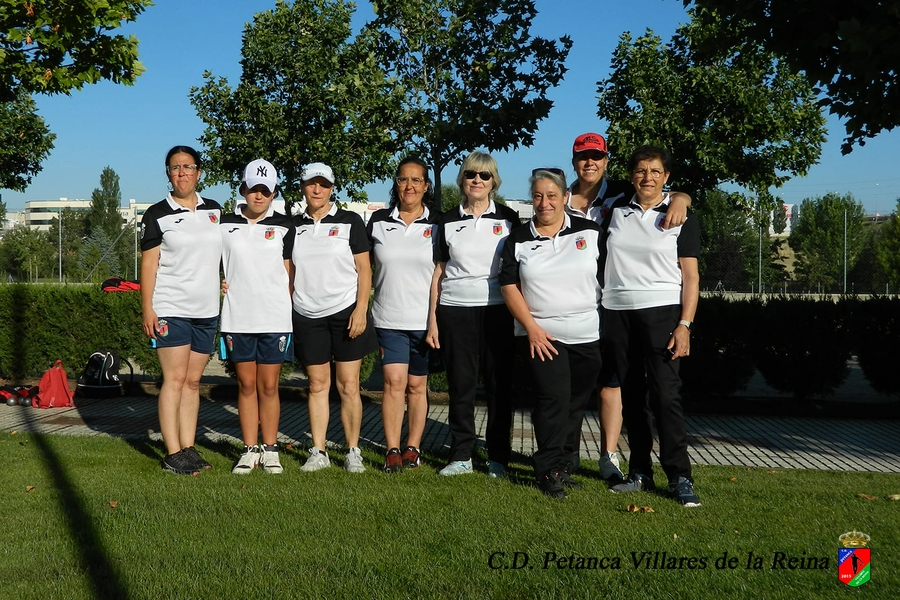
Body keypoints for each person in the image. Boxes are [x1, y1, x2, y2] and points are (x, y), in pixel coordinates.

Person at [566, 132, 691, 482]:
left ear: (606, 161)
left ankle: (666, 473)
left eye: (597, 156)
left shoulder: (622, 194)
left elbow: (661, 191)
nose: (590, 162)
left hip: (643, 309)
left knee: (645, 392)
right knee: (601, 388)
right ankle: (592, 460)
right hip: (593, 306)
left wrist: (682, 196)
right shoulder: (564, 197)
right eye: (583, 156)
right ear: (574, 161)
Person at [601, 146, 701, 507]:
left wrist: (684, 324)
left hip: (661, 314)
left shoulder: (681, 214)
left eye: (655, 171)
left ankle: (680, 477)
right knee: (631, 397)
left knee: (665, 397)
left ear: (667, 177)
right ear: (631, 176)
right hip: (616, 313)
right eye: (641, 171)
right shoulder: (613, 211)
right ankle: (640, 471)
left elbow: (690, 277)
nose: (647, 177)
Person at [500, 169, 603, 499]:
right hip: (543, 336)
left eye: (552, 195)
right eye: (538, 196)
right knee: (552, 402)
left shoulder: (590, 232)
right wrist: (531, 329)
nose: (545, 203)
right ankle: (547, 470)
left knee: (575, 405)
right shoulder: (518, 238)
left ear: (564, 198)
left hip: (588, 335)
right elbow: (508, 286)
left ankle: (563, 465)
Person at [426, 151, 521, 478]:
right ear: (462, 180)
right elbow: (438, 272)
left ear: (494, 181)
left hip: (498, 311)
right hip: (455, 311)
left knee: (499, 387)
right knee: (461, 386)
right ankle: (461, 454)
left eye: (484, 175)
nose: (477, 181)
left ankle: (498, 458)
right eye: (471, 175)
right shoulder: (446, 220)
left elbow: (517, 272)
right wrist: (432, 319)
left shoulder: (509, 218)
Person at [141, 145, 223, 475]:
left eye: (188, 167)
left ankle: (188, 448)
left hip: (206, 309)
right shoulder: (156, 213)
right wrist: (147, 308)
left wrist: (224, 280)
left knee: (192, 382)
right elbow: (149, 264)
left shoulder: (215, 210)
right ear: (168, 175)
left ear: (199, 172)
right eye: (175, 168)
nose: (182, 173)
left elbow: (223, 254)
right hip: (170, 307)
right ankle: (172, 452)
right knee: (174, 380)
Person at [291, 162, 378, 473]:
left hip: (345, 312)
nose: (317, 190)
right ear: (303, 187)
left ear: (331, 187)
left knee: (349, 385)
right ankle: (319, 451)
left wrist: (360, 309)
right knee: (316, 385)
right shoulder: (294, 226)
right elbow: (288, 271)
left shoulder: (350, 221)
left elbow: (365, 269)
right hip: (307, 315)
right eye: (312, 184)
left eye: (324, 184)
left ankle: (353, 450)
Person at [220, 159, 295, 474]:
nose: (259, 196)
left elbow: (290, 274)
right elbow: (205, 260)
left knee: (269, 386)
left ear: (274, 192)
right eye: (253, 189)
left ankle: (271, 448)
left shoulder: (285, 226)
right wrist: (217, 281)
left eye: (265, 190)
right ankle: (249, 449)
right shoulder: (223, 224)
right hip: (238, 317)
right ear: (243, 189)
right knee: (246, 385)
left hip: (274, 318)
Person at [367, 156, 438, 472]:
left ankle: (413, 448)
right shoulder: (378, 221)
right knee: (394, 382)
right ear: (396, 184)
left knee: (416, 387)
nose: (409, 186)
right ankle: (392, 449)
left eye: (416, 180)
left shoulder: (438, 224)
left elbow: (445, 272)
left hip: (425, 322)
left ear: (426, 186)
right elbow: (359, 266)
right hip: (388, 318)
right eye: (402, 179)